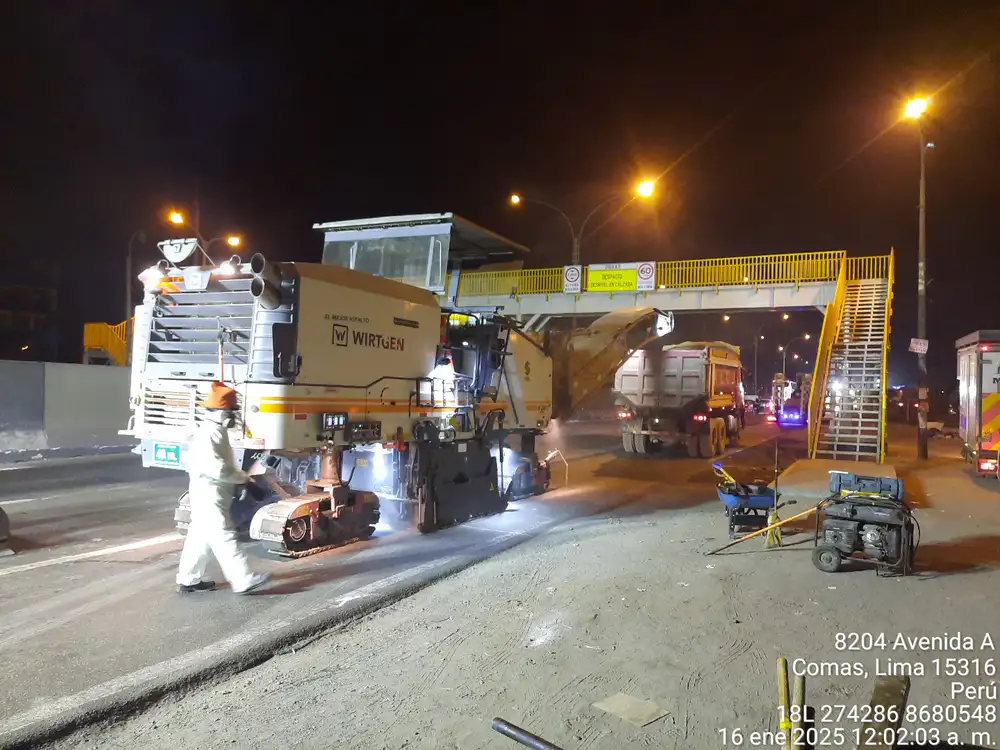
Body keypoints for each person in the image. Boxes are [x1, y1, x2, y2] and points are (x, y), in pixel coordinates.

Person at [176, 381, 269, 595]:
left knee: (199, 536)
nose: (234, 416)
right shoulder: (211, 434)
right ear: (220, 412)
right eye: (231, 411)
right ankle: (243, 580)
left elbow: (223, 466)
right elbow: (217, 468)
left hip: (210, 491)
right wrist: (244, 480)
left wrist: (239, 480)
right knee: (223, 534)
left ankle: (188, 579)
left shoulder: (215, 431)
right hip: (210, 493)